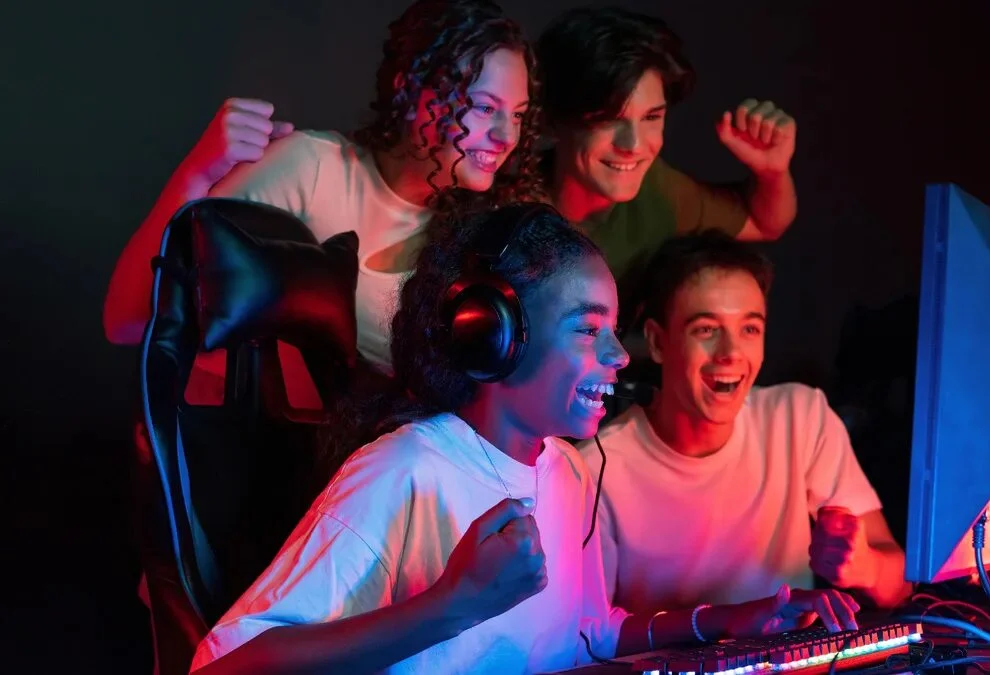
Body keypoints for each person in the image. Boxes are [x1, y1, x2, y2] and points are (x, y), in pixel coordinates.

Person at [188, 205, 860, 674]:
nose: (619, 357)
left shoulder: (565, 472)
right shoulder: (405, 470)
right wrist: (451, 606)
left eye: (615, 330)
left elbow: (589, 635)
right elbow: (224, 665)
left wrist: (721, 622)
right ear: (497, 336)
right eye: (588, 329)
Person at [102, 0, 543, 385]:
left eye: (518, 115)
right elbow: (128, 319)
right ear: (410, 91)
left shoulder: (490, 238)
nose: (506, 136)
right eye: (485, 108)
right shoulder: (312, 169)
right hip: (249, 459)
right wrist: (196, 175)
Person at [576, 231, 911, 623]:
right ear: (658, 341)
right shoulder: (596, 468)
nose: (731, 353)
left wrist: (865, 566)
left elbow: (899, 585)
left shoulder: (800, 417)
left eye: (749, 329)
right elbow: (590, 637)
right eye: (706, 329)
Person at [536, 6, 799, 319]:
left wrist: (772, 171)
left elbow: (766, 222)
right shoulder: (506, 205)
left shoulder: (657, 190)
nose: (633, 145)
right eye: (607, 119)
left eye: (651, 117)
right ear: (553, 120)